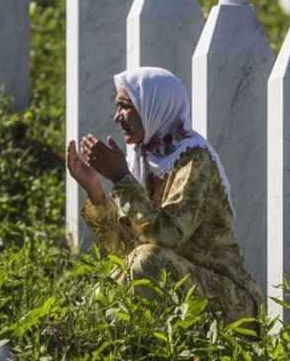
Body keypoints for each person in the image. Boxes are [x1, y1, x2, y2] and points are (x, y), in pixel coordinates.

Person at [66, 66, 262, 324]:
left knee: (147, 260)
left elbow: (167, 238)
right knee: (131, 266)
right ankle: (79, 331)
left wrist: (121, 179)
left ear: (155, 105)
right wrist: (95, 191)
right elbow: (125, 248)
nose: (117, 117)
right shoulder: (142, 159)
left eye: (125, 106)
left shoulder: (193, 158)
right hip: (180, 287)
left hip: (229, 300)